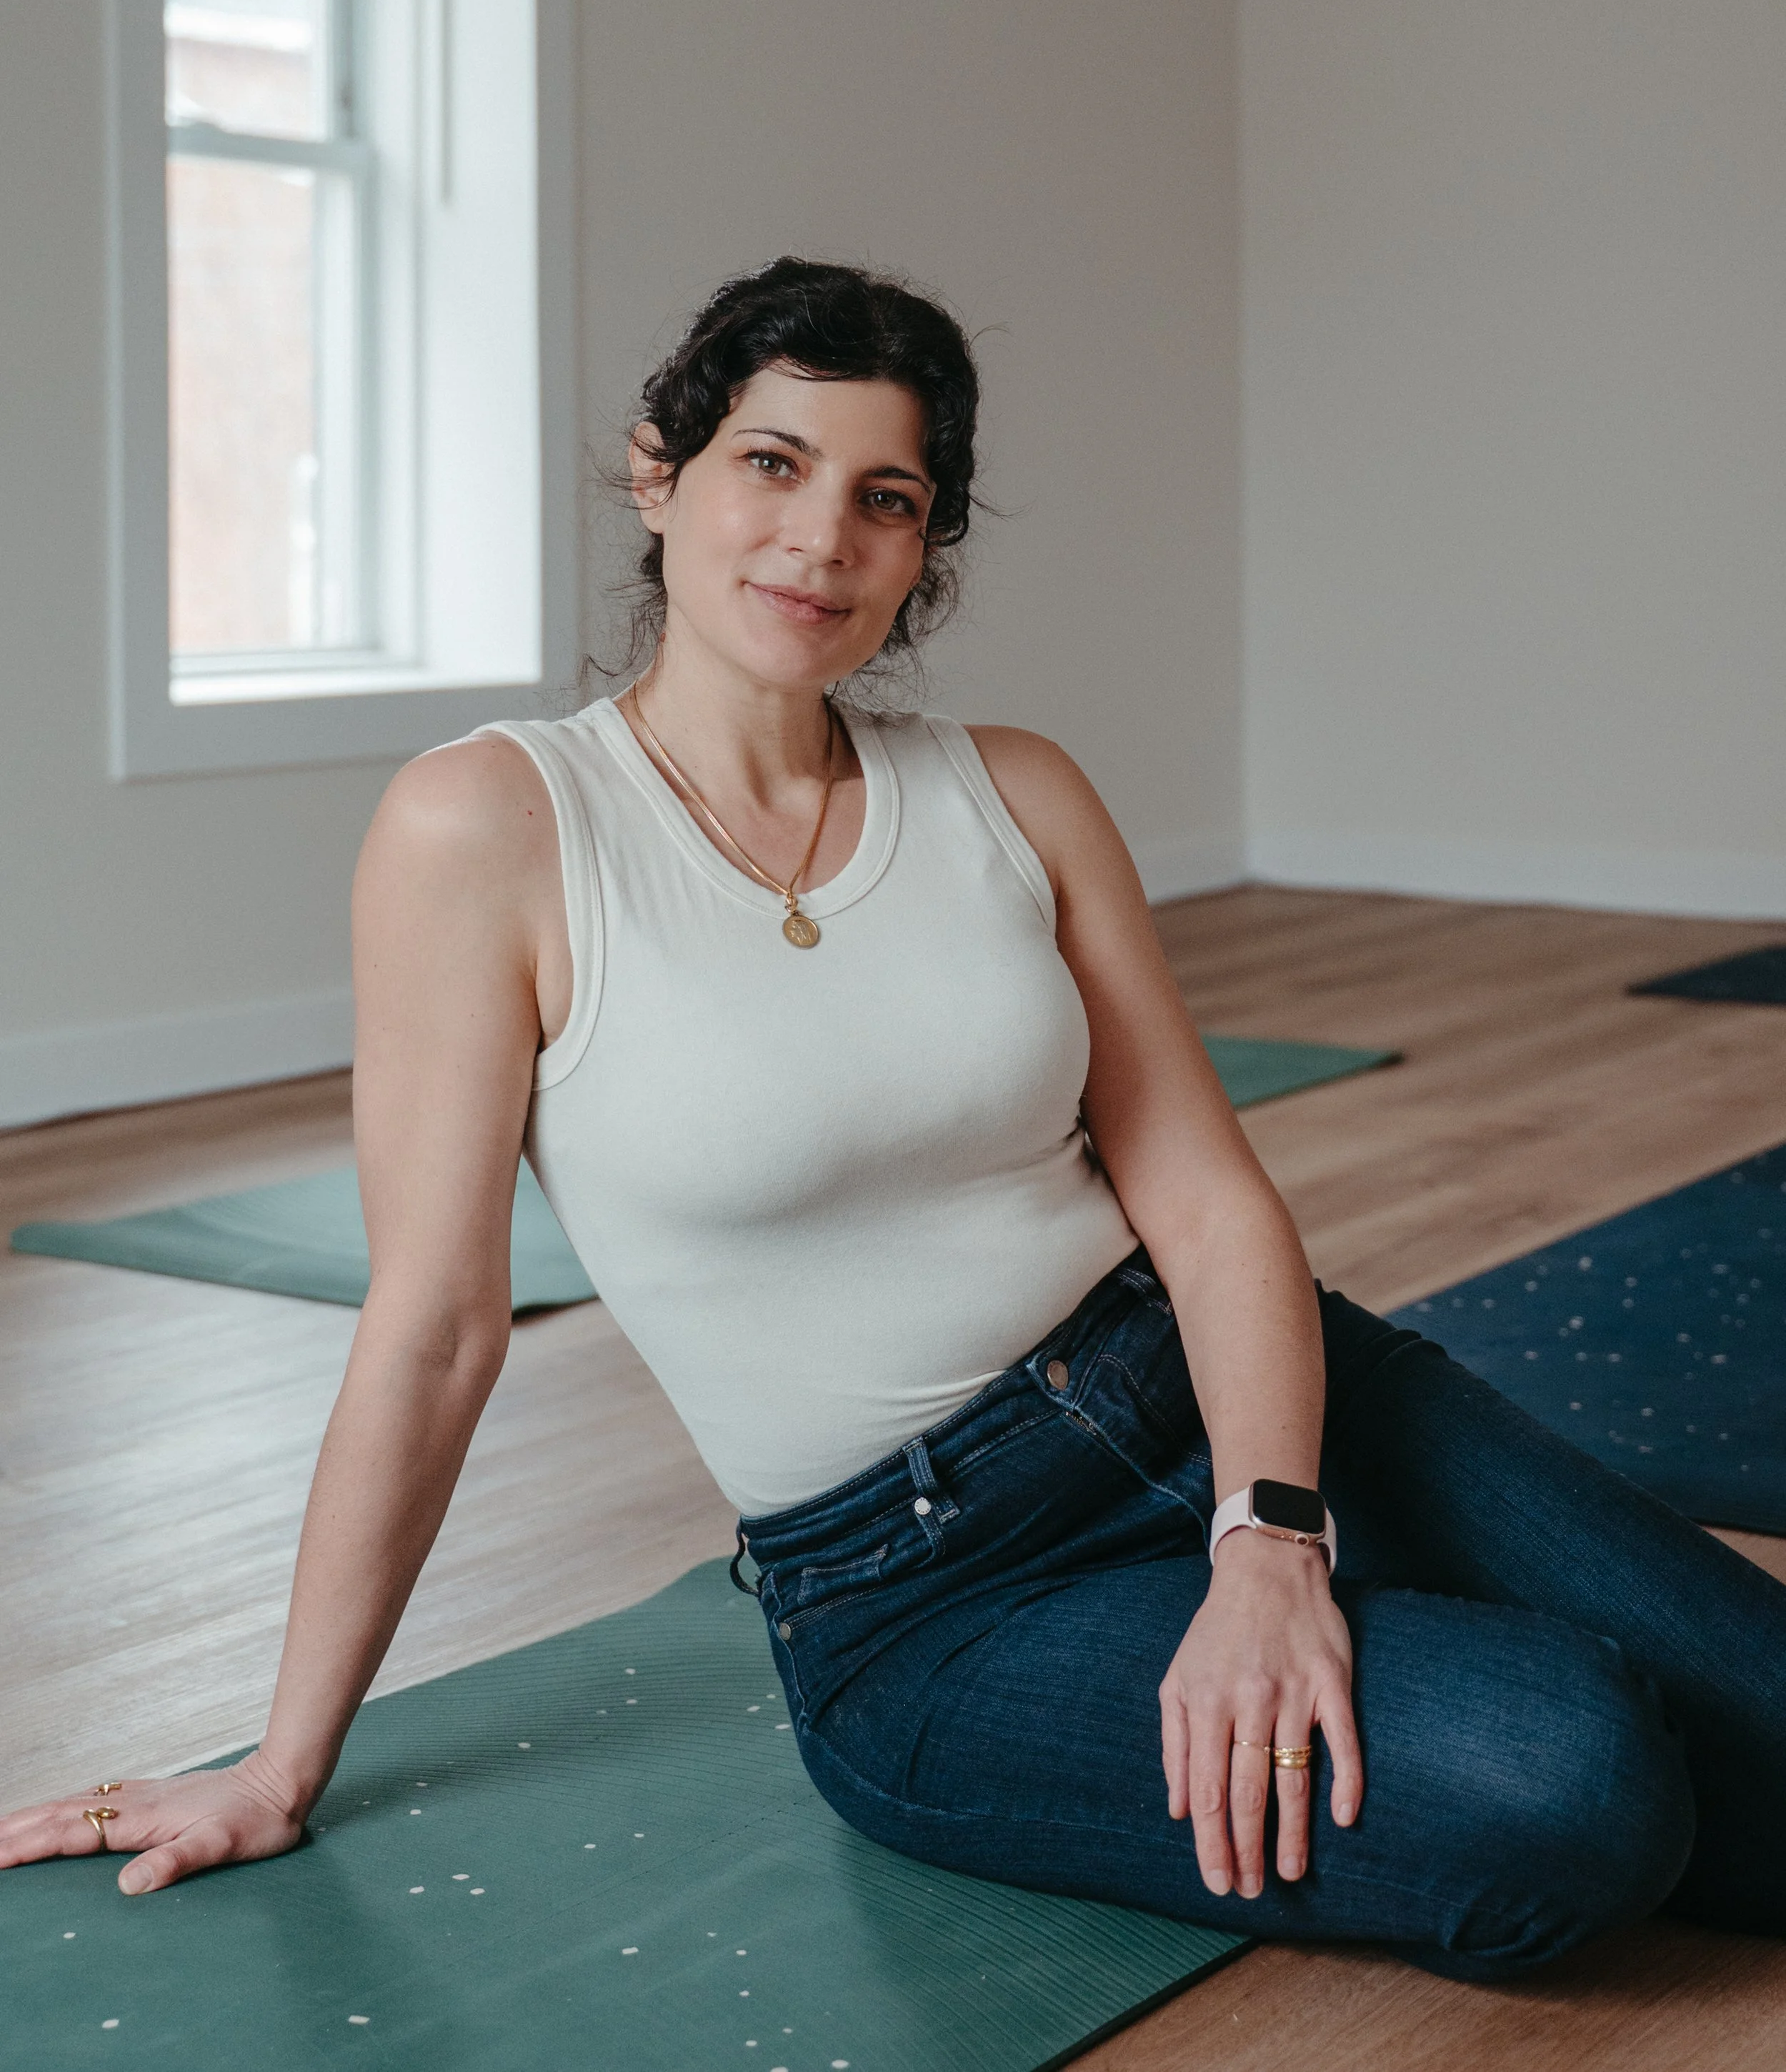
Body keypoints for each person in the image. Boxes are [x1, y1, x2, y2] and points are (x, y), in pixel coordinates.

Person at [4, 259, 1782, 1983]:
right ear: (659, 469)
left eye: (886, 496)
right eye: (769, 465)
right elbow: (438, 1325)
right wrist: (275, 1759)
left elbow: (1204, 1194)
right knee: (1577, 1779)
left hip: (1231, 1391)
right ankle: (1527, 1681)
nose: (820, 538)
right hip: (933, 1598)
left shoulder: (1012, 787)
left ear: (927, 542)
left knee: (1756, 1696)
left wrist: (1265, 1531)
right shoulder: (488, 829)